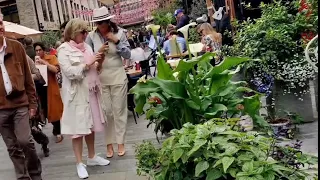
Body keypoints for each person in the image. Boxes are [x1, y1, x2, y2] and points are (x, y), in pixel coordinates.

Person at [57, 18, 110, 179]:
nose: (86, 34)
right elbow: (69, 72)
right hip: (76, 96)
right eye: (83, 32)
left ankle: (92, 157)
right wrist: (88, 64)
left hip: (91, 92)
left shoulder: (86, 46)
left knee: (91, 126)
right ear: (73, 33)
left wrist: (99, 61)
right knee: (77, 131)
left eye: (87, 31)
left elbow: (95, 69)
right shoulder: (63, 50)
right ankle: (79, 162)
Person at [0, 14, 42, 180]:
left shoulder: (16, 47)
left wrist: (33, 104)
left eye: (0, 23)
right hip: (1, 109)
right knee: (12, 147)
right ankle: (22, 177)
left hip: (20, 104)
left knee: (25, 141)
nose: (0, 27)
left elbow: (28, 79)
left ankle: (35, 173)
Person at [86, 6, 131, 158]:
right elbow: (87, 57)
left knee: (119, 110)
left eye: (103, 22)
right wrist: (98, 54)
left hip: (118, 74)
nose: (101, 26)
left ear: (108, 21)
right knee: (107, 112)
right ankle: (108, 143)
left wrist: (116, 41)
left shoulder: (119, 33)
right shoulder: (91, 36)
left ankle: (120, 142)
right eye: (98, 23)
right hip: (101, 77)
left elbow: (128, 54)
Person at [34, 42, 64, 143]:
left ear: (44, 50)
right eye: (36, 50)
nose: (38, 52)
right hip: (40, 89)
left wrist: (44, 63)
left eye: (40, 50)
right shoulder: (33, 61)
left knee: (54, 111)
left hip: (51, 88)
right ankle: (54, 129)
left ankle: (58, 132)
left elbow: (56, 70)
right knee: (45, 111)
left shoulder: (51, 58)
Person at [27, 55, 50, 157]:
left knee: (33, 128)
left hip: (29, 97)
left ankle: (44, 142)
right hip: (10, 102)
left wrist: (23, 77)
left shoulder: (23, 56)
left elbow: (37, 74)